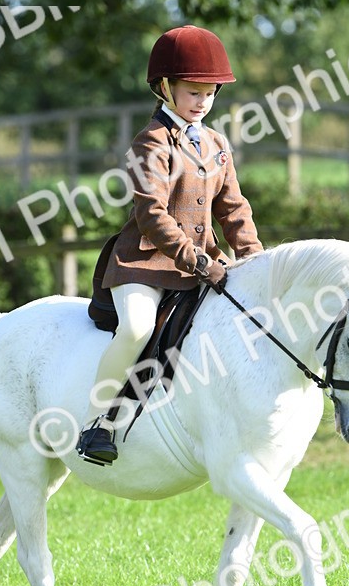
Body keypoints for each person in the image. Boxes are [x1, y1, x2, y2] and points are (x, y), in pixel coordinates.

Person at [76, 24, 263, 465]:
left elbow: (233, 208)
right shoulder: (151, 142)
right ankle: (97, 423)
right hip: (145, 264)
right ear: (165, 88)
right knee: (138, 330)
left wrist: (254, 258)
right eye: (193, 93)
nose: (202, 103)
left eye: (209, 94)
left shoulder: (216, 144)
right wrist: (198, 260)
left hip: (201, 265)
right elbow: (152, 214)